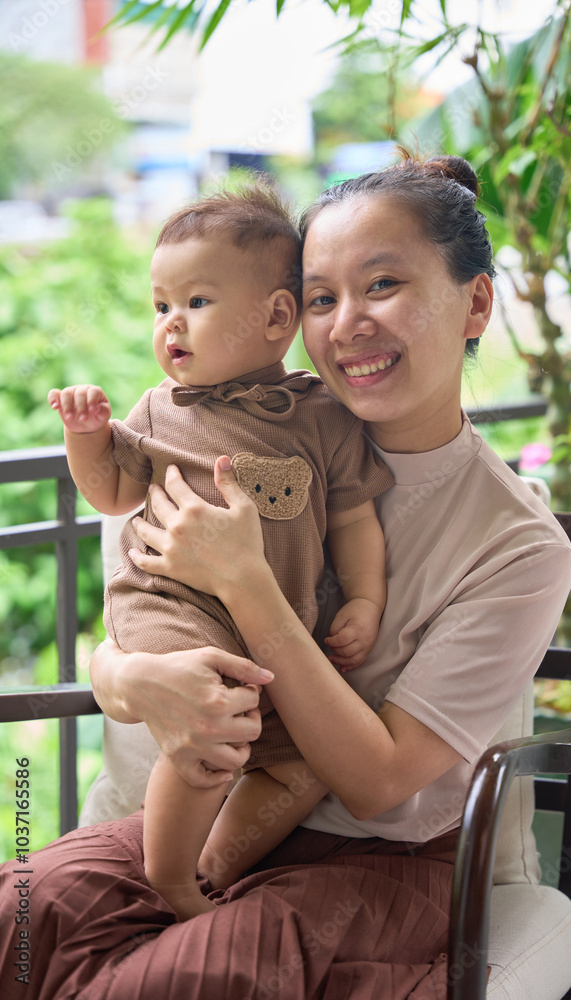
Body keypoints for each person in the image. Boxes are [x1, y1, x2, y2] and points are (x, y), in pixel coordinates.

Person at [0, 152, 571, 999]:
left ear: (475, 303)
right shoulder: (225, 433)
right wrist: (124, 676)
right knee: (22, 913)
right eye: (321, 297)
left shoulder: (518, 545)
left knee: (170, 981)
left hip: (376, 856)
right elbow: (150, 610)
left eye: (383, 285)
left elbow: (377, 784)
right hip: (212, 810)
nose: (346, 325)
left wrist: (249, 586)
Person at [47, 184, 393, 921]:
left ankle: (211, 867)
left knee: (301, 769)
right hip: (168, 605)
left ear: (276, 317)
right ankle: (169, 878)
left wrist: (365, 599)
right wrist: (86, 439)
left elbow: (354, 518)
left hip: (272, 635)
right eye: (160, 305)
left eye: (196, 302)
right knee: (211, 726)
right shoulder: (158, 411)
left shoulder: (323, 418)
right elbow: (111, 494)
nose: (170, 323)